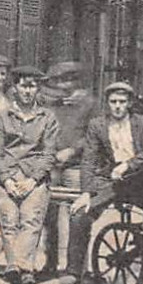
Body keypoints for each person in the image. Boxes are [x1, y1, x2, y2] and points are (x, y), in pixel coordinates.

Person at [69, 81, 143, 284]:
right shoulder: (98, 126)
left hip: (140, 181)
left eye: (122, 102)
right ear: (107, 103)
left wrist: (128, 164)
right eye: (113, 102)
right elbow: (89, 159)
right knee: (79, 214)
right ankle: (74, 271)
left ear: (129, 104)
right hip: (111, 181)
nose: (117, 106)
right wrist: (85, 193)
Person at [0, 65, 60, 284]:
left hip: (35, 178)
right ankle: (16, 267)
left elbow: (49, 153)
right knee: (8, 216)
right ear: (15, 88)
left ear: (38, 90)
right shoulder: (3, 117)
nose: (27, 91)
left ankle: (24, 267)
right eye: (23, 86)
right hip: (7, 175)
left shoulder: (47, 118)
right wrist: (7, 180)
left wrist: (33, 180)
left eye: (32, 86)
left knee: (31, 217)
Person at [43, 60, 96, 193]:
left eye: (68, 81)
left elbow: (94, 136)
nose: (62, 86)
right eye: (58, 82)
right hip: (50, 163)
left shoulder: (89, 104)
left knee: (73, 197)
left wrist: (73, 150)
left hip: (76, 165)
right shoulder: (49, 103)